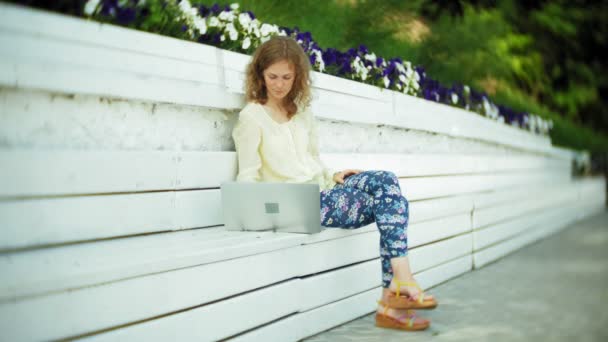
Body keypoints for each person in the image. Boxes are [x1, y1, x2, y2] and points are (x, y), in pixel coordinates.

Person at [232, 36, 437, 331]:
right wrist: (258, 212)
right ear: (260, 74)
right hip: (296, 202)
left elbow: (312, 160)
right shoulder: (251, 117)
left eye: (287, 77)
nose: (279, 84)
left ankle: (395, 291)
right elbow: (248, 176)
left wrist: (334, 176)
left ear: (298, 76)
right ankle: (392, 297)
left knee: (387, 183)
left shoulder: (301, 112)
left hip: (325, 190)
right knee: (393, 206)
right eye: (272, 76)